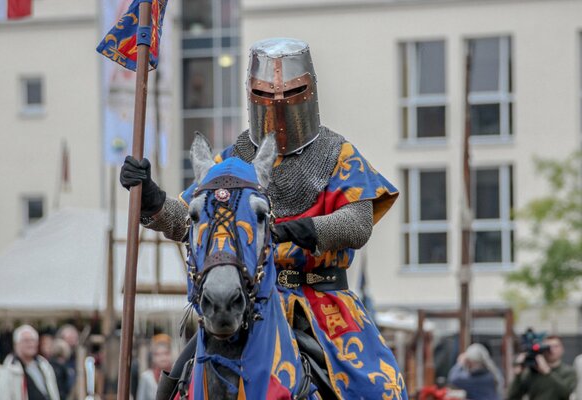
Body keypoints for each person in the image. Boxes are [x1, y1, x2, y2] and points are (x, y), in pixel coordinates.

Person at [121, 37, 406, 399]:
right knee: (177, 380)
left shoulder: (339, 154)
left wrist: (304, 230)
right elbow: (189, 220)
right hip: (249, 298)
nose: (278, 104)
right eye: (265, 94)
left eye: (291, 91)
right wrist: (152, 199)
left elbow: (357, 223)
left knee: (378, 387)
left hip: (322, 301)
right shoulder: (231, 162)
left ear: (309, 89)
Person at [0, 325, 60, 400]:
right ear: (16, 344)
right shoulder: (8, 370)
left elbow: (53, 393)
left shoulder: (44, 365)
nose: (30, 344)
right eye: (26, 340)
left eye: (33, 340)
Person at [507, 334, 577, 400]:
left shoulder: (568, 372)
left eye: (556, 346)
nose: (551, 350)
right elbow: (513, 397)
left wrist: (547, 372)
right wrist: (518, 376)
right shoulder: (532, 372)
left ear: (562, 349)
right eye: (548, 347)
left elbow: (566, 394)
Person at [136, 335, 173, 400]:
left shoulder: (176, 375)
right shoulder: (146, 377)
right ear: (153, 357)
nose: (163, 358)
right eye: (159, 354)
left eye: (166, 353)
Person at [55, 325, 78, 399]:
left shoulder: (78, 358)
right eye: (69, 339)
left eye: (74, 339)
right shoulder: (55, 362)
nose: (72, 343)